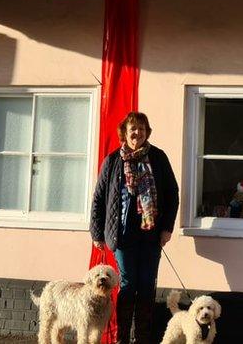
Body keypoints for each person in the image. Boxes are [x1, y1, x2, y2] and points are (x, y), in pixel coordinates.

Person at [91, 112, 179, 344]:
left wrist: (167, 228)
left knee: (147, 286)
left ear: (146, 132)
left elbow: (172, 194)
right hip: (122, 235)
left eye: (141, 128)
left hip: (151, 235)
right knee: (128, 285)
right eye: (132, 128)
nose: (136, 133)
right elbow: (99, 199)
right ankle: (122, 339)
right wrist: (97, 232)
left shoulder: (158, 158)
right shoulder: (112, 161)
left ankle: (142, 338)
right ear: (125, 132)